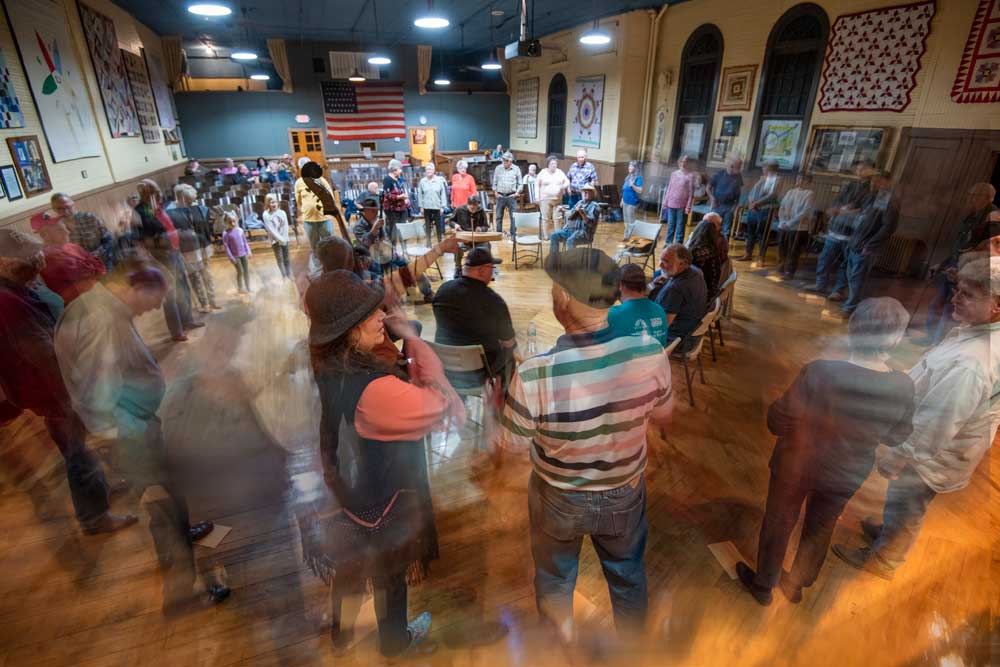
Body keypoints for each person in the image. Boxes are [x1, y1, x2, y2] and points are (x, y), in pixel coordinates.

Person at [497, 248, 673, 644]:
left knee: (556, 579)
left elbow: (509, 446)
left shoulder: (535, 373)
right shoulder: (650, 352)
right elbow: (663, 416)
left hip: (558, 498)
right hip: (624, 491)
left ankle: (560, 652)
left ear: (563, 300)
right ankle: (633, 652)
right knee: (628, 575)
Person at [302, 269, 463, 658]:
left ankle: (342, 633)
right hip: (381, 497)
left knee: (350, 563)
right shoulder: (377, 389)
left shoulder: (329, 361)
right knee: (389, 570)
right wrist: (410, 337)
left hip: (344, 485)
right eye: (370, 315)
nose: (382, 318)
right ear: (348, 331)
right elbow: (440, 406)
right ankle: (394, 640)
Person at [54, 259, 229, 614]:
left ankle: (178, 544)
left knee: (167, 500)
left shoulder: (101, 310)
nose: (155, 308)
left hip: (134, 428)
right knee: (163, 504)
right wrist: (123, 437)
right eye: (154, 299)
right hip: (129, 436)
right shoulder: (101, 321)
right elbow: (94, 389)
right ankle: (182, 595)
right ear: (135, 287)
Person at [736, 298, 915, 606]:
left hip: (796, 464)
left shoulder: (820, 372)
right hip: (846, 473)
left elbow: (777, 422)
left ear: (854, 329)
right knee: (821, 526)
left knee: (779, 521)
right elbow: (898, 435)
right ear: (897, 338)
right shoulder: (902, 384)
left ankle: (764, 585)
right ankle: (796, 584)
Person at [834, 256, 1000, 580]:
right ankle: (888, 532)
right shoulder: (980, 333)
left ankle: (885, 559)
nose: (954, 298)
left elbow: (939, 421)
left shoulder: (973, 363)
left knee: (908, 503)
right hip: (940, 444)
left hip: (932, 454)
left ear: (996, 306)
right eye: (957, 289)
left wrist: (900, 456)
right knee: (903, 503)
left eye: (967, 295)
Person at [0, 228, 134, 535]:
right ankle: (94, 517)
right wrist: (76, 384)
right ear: (6, 262)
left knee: (79, 446)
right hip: (55, 389)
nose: (38, 259)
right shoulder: (6, 300)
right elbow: (42, 353)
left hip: (57, 385)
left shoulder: (16, 287)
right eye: (30, 257)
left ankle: (99, 492)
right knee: (77, 451)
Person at [925, 183, 997, 344]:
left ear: (986, 197)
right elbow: (958, 245)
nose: (970, 199)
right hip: (953, 265)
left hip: (969, 272)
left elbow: (987, 251)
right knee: (936, 304)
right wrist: (942, 264)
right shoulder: (971, 214)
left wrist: (966, 270)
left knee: (950, 309)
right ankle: (931, 339)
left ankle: (938, 343)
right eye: (970, 195)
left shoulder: (993, 217)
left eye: (974, 195)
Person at [133, 179, 203, 342]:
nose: (158, 195)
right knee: (170, 293)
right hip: (161, 256)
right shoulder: (140, 212)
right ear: (144, 194)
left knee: (183, 287)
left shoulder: (158, 207)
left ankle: (188, 320)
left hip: (174, 251)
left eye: (157, 192)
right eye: (153, 192)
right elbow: (142, 238)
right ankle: (176, 330)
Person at [432, 247, 514, 387]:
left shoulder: (443, 290)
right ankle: (503, 401)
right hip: (479, 371)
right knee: (510, 355)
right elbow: (509, 343)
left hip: (445, 366)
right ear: (482, 270)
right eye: (491, 268)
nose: (493, 272)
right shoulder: (494, 302)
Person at [807, 161, 877, 295]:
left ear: (871, 171)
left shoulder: (871, 190)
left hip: (852, 232)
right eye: (858, 169)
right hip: (837, 228)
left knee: (845, 264)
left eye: (863, 169)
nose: (859, 171)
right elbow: (838, 200)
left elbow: (865, 211)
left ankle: (838, 290)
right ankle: (820, 283)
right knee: (824, 258)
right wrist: (837, 208)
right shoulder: (851, 185)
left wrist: (844, 210)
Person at [833, 172, 898, 316]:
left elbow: (888, 227)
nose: (874, 184)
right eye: (873, 182)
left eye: (878, 182)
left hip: (866, 246)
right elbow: (862, 217)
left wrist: (870, 244)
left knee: (857, 279)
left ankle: (850, 309)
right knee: (852, 277)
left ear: (887, 182)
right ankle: (852, 306)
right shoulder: (872, 197)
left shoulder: (888, 200)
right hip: (856, 242)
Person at [351, 196, 437, 303]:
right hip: (372, 258)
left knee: (411, 266)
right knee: (395, 271)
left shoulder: (378, 222)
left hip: (385, 254)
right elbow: (365, 243)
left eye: (377, 211)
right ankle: (395, 296)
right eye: (373, 211)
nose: (375, 214)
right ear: (365, 211)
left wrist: (391, 248)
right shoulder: (358, 226)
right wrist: (374, 229)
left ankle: (427, 292)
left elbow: (386, 239)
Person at [33, 213, 105, 304]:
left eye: (65, 228)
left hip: (95, 295)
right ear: (45, 235)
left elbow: (100, 267)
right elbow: (87, 271)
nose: (67, 232)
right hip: (79, 304)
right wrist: (92, 266)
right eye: (60, 230)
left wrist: (93, 268)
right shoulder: (47, 257)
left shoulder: (71, 246)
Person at [169, 184, 219, 312]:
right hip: (188, 249)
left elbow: (208, 226)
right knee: (194, 276)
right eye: (189, 200)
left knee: (207, 274)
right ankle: (204, 303)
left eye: (193, 199)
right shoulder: (172, 211)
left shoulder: (201, 209)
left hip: (203, 246)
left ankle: (212, 300)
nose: (192, 202)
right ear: (182, 198)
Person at [649, 243, 708, 350]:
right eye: (661, 260)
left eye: (666, 262)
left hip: (678, 340)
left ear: (682, 264)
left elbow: (661, 328)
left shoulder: (674, 290)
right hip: (692, 330)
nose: (660, 265)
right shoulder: (696, 271)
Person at [48, 192, 117, 270]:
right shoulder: (56, 228)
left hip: (104, 263)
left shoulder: (90, 218)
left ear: (73, 203)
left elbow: (109, 240)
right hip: (80, 271)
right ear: (54, 209)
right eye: (60, 209)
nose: (66, 211)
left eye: (68, 207)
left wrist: (94, 255)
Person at [607, 262, 668, 346]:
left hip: (627, 358)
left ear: (620, 285)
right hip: (655, 358)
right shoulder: (659, 310)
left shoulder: (613, 314)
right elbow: (662, 345)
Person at [296, 161, 342, 272]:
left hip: (324, 218)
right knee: (315, 246)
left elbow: (330, 196)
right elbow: (299, 201)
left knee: (329, 243)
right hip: (309, 220)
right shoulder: (299, 182)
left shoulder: (321, 180)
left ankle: (332, 267)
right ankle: (318, 269)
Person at [737, 160, 783, 260]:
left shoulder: (777, 179)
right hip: (753, 209)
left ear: (770, 168)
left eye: (764, 167)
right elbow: (752, 191)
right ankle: (748, 254)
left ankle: (761, 257)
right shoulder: (762, 178)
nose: (762, 169)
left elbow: (772, 195)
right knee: (750, 232)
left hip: (765, 209)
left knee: (763, 234)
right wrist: (750, 202)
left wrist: (757, 203)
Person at [774, 172, 816, 279]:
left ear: (808, 182)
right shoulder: (790, 191)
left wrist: (790, 223)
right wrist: (782, 220)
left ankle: (789, 271)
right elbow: (782, 207)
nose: (799, 180)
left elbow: (805, 212)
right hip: (784, 225)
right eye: (798, 178)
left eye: (802, 179)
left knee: (793, 250)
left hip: (798, 227)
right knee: (782, 247)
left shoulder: (809, 193)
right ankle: (781, 267)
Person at [445, 195, 490, 276]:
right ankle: (458, 267)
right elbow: (451, 221)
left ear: (478, 205)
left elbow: (486, 226)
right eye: (471, 205)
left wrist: (481, 229)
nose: (473, 207)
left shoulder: (481, 210)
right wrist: (455, 225)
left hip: (477, 239)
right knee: (456, 246)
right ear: (467, 204)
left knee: (487, 245)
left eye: (475, 206)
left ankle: (483, 268)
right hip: (463, 238)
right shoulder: (459, 210)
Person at [685, 213, 727, 297]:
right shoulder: (710, 248)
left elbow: (686, 270)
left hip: (701, 292)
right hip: (708, 288)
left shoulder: (700, 252)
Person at [549, 184, 598, 252]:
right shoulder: (579, 203)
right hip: (570, 230)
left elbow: (590, 224)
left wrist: (582, 213)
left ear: (592, 194)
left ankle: (571, 261)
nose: (584, 193)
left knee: (570, 241)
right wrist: (563, 210)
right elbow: (570, 213)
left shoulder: (594, 206)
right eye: (583, 191)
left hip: (584, 233)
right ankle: (553, 260)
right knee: (553, 236)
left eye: (587, 191)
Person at [660, 155, 696, 245]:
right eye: (682, 161)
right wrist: (665, 201)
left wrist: (688, 206)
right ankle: (668, 244)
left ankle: (678, 246)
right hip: (671, 203)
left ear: (688, 163)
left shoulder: (690, 176)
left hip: (682, 206)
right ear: (679, 162)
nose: (683, 163)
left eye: (685, 161)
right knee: (670, 225)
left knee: (680, 227)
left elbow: (691, 193)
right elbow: (669, 188)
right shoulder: (674, 174)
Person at [707, 157, 743, 238]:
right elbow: (708, 188)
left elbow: (738, 193)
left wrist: (735, 206)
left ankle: (724, 247)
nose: (740, 169)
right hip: (717, 205)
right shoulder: (719, 174)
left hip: (729, 206)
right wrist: (712, 198)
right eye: (739, 166)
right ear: (732, 166)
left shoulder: (738, 176)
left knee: (726, 230)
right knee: (713, 227)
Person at [536, 155, 570, 239]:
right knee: (545, 218)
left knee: (557, 218)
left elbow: (567, 181)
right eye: (552, 164)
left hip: (557, 200)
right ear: (548, 164)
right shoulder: (542, 173)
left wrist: (563, 186)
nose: (554, 165)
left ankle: (558, 236)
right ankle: (546, 236)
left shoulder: (560, 172)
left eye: (555, 163)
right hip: (545, 199)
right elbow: (537, 185)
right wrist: (537, 197)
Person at [262, 194, 292, 279]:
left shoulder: (282, 213)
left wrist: (285, 239)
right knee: (280, 259)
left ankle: (289, 274)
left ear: (277, 202)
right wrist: (280, 240)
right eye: (271, 202)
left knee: (286, 258)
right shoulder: (266, 215)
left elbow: (286, 227)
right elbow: (271, 230)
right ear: (268, 204)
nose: (273, 204)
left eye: (274, 202)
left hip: (285, 239)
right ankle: (284, 276)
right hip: (275, 241)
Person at [492, 151, 522, 235]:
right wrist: (495, 191)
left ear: (510, 161)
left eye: (505, 161)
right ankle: (498, 234)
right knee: (498, 217)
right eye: (503, 160)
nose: (504, 162)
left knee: (513, 217)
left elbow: (520, 183)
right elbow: (494, 181)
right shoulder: (498, 168)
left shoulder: (516, 169)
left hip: (512, 196)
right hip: (500, 196)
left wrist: (517, 192)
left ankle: (513, 234)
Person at [222, 211, 252, 294]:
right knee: (240, 271)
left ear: (236, 220)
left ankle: (248, 287)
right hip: (235, 256)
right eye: (230, 222)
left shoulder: (240, 230)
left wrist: (248, 251)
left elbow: (245, 242)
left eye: (234, 221)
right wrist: (231, 257)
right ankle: (240, 288)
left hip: (243, 254)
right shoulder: (225, 233)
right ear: (226, 222)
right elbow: (226, 247)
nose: (232, 223)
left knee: (246, 271)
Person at [417, 163, 447, 244]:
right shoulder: (422, 181)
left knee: (438, 225)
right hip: (426, 206)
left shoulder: (439, 181)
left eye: (430, 169)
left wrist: (442, 206)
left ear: (434, 170)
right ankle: (428, 243)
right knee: (427, 226)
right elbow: (420, 195)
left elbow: (443, 194)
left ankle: (440, 242)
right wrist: (421, 207)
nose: (428, 171)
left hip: (437, 206)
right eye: (427, 169)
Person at [382, 159, 410, 243]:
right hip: (392, 209)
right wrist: (399, 197)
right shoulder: (387, 179)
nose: (401, 171)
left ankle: (403, 246)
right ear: (394, 170)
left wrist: (406, 198)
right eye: (400, 169)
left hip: (402, 208)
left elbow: (402, 190)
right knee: (393, 228)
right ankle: (393, 249)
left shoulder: (398, 179)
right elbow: (387, 195)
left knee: (403, 228)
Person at [620, 161, 644, 233]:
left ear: (635, 168)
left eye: (631, 166)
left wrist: (633, 186)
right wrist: (622, 200)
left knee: (631, 221)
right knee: (626, 221)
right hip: (625, 201)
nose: (629, 167)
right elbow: (624, 190)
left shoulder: (639, 178)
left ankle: (632, 236)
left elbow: (640, 190)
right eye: (629, 166)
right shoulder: (628, 177)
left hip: (632, 203)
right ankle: (626, 236)